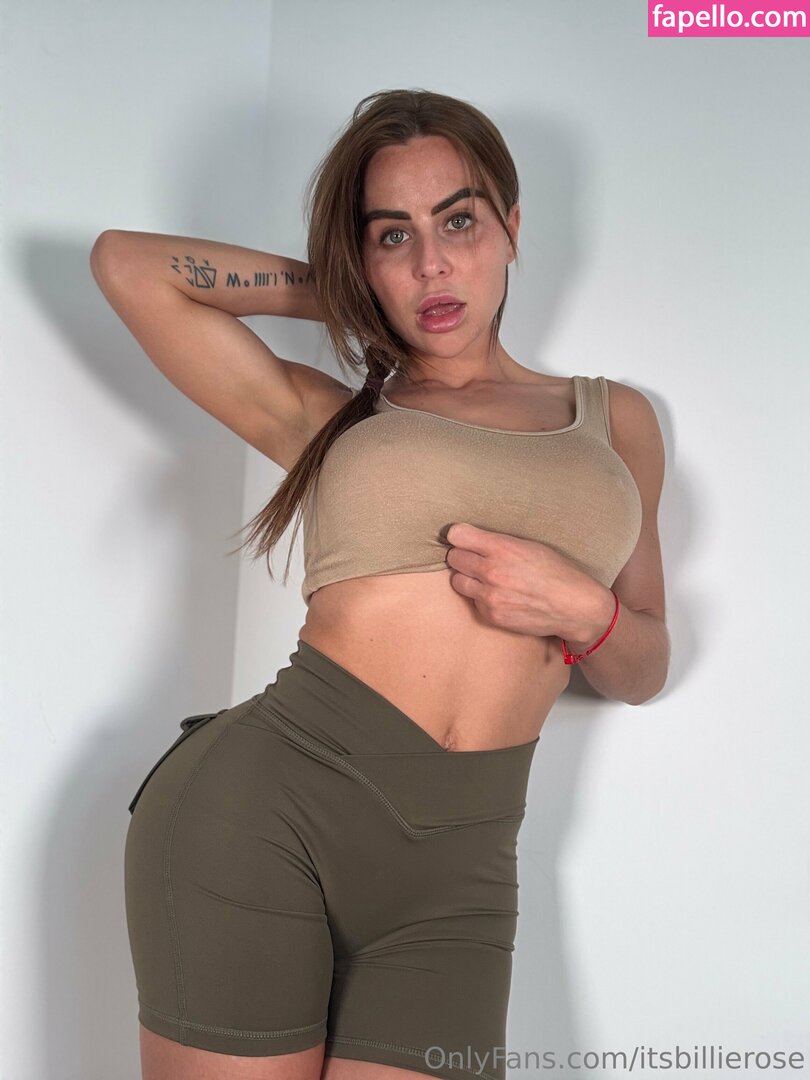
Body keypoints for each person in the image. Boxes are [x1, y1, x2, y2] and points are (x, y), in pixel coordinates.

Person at [91, 88, 669, 1080]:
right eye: (392, 236)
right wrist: (352, 293)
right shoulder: (339, 418)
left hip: (460, 879)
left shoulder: (615, 421)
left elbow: (645, 664)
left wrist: (586, 609)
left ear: (512, 227)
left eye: (458, 222)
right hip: (264, 813)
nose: (431, 264)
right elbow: (129, 267)